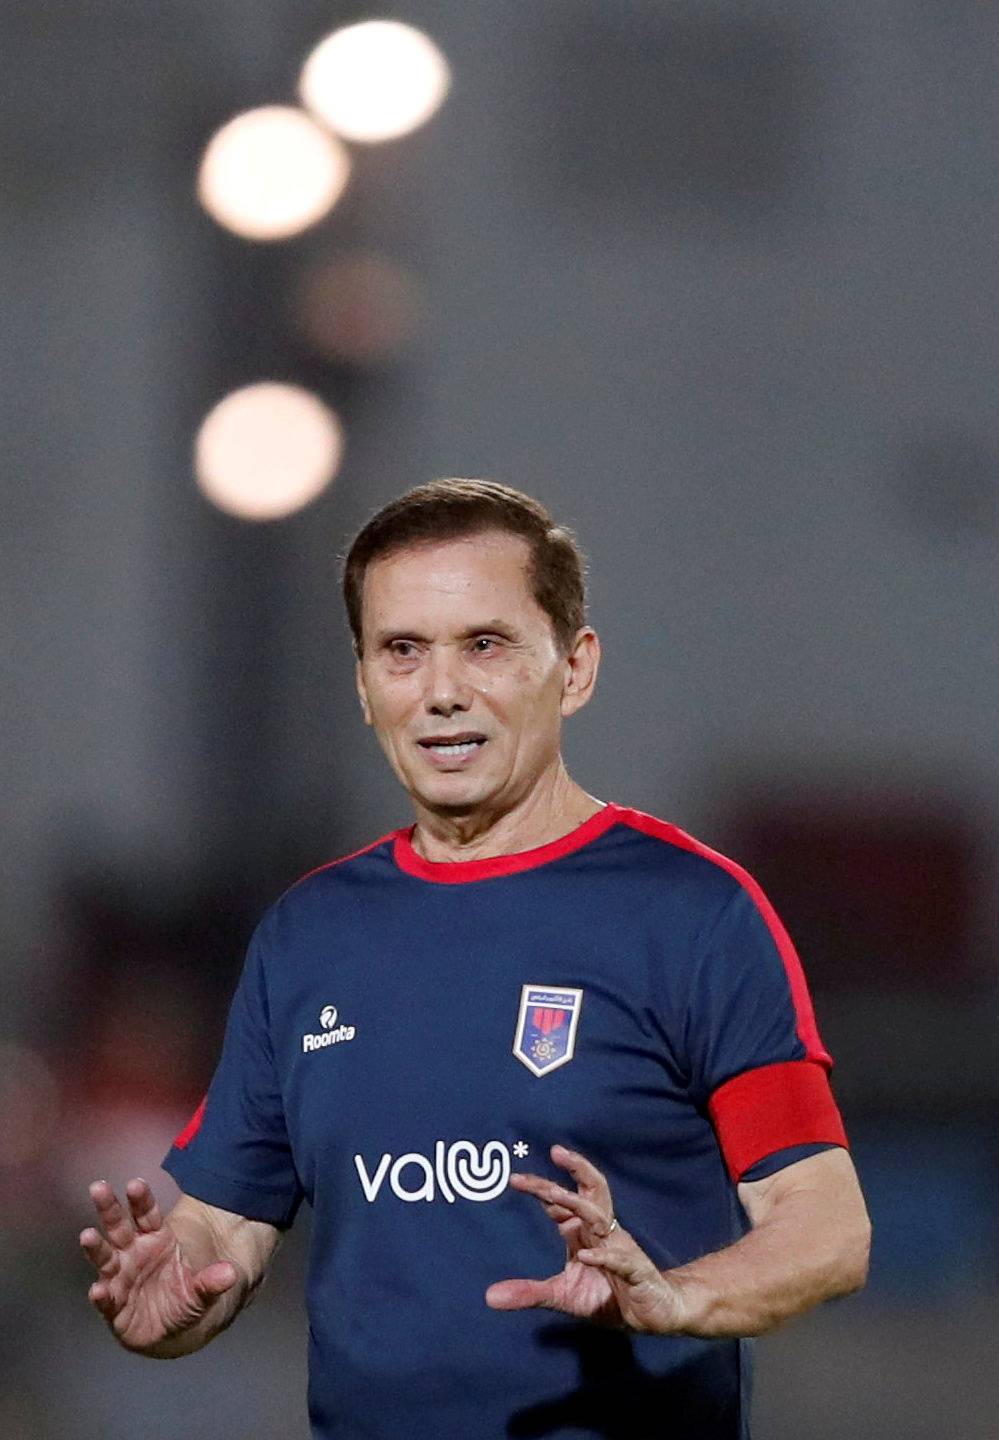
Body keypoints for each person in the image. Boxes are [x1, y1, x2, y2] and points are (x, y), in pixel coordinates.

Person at [80, 479, 870, 1439]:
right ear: (364, 685)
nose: (442, 690)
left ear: (574, 668)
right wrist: (172, 1290)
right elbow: (227, 1222)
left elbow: (825, 1230)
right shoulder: (310, 935)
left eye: (485, 645)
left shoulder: (691, 913)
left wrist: (676, 1297)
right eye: (402, 651)